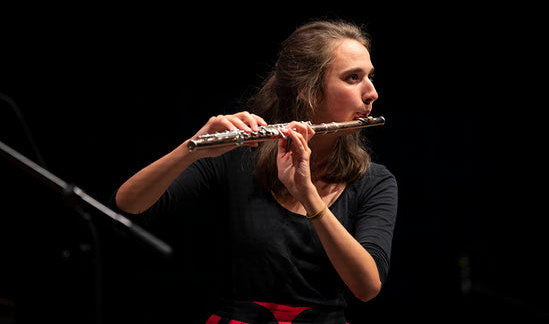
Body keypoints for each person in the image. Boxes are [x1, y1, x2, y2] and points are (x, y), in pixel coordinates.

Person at [111, 19, 398, 324]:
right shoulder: (236, 158)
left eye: (370, 76)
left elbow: (367, 287)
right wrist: (192, 147)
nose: (372, 92)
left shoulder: (373, 181)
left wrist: (308, 194)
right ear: (306, 89)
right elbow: (129, 203)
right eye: (353, 78)